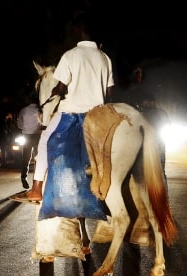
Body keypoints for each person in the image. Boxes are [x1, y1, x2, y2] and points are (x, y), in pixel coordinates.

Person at [13, 11, 114, 204]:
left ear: (79, 31)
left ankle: (35, 189)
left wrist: (57, 91)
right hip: (98, 114)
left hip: (72, 112)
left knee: (43, 142)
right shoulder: (105, 58)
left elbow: (60, 86)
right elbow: (110, 93)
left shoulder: (70, 55)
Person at [139, 92, 170, 177]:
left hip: (154, 143)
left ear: (151, 102)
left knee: (159, 170)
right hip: (152, 144)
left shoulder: (142, 114)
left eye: (145, 102)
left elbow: (167, 126)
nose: (143, 104)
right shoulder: (141, 113)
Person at [16, 94, 43, 189]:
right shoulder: (41, 110)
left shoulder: (24, 110)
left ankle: (24, 177)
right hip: (38, 136)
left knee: (26, 158)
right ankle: (37, 180)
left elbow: (19, 125)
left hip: (27, 136)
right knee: (38, 159)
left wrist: (26, 128)